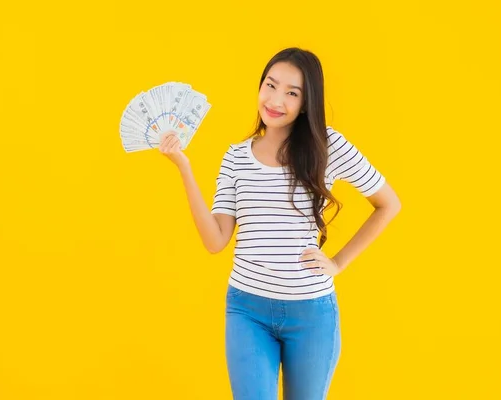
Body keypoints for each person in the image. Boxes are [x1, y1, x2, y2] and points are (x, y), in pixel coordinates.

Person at [158, 47, 401, 400]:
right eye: (270, 86)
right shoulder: (236, 157)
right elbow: (215, 240)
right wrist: (183, 167)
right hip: (247, 310)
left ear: (306, 103)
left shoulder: (328, 146)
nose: (275, 99)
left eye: (292, 93)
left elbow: (388, 204)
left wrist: (338, 262)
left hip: (311, 315)